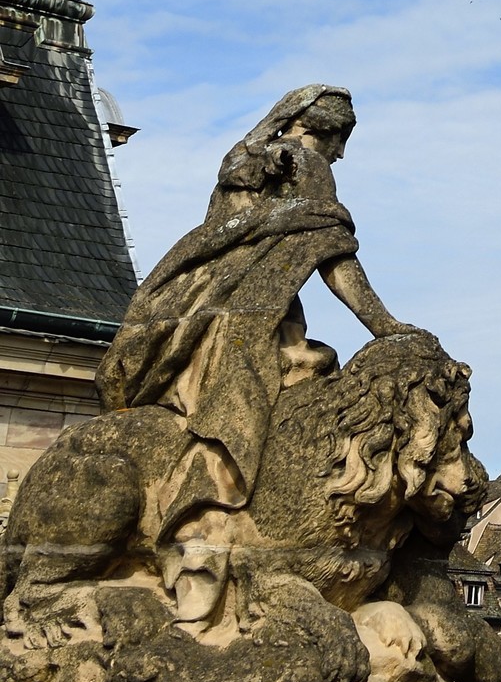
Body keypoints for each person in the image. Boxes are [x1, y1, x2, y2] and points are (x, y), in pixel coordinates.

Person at [98, 85, 415, 503]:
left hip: (204, 297)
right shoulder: (306, 163)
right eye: (339, 138)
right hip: (252, 312)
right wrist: (384, 325)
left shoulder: (245, 157)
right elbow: (335, 256)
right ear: (318, 129)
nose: (340, 153)